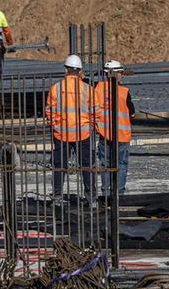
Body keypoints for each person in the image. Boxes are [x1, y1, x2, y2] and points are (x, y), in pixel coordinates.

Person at [46, 55, 94, 199]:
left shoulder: (56, 88)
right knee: (87, 166)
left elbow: (50, 111)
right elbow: (95, 111)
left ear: (65, 70)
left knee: (60, 166)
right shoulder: (88, 89)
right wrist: (89, 126)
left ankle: (57, 195)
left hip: (61, 134)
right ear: (80, 71)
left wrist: (54, 125)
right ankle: (90, 195)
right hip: (82, 133)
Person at [94, 60, 135, 196]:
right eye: (120, 73)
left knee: (105, 165)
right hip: (122, 136)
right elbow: (132, 113)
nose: (122, 76)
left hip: (104, 135)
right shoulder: (124, 92)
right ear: (113, 74)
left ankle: (106, 193)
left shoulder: (98, 89)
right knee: (121, 165)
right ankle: (119, 193)